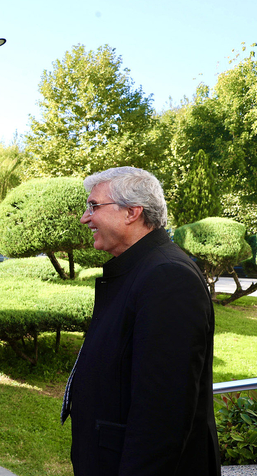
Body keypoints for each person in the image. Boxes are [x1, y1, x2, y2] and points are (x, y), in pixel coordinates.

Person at [61, 166, 220, 475]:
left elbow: (162, 418)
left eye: (94, 206)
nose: (85, 217)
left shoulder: (167, 276)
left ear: (132, 212)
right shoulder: (140, 269)